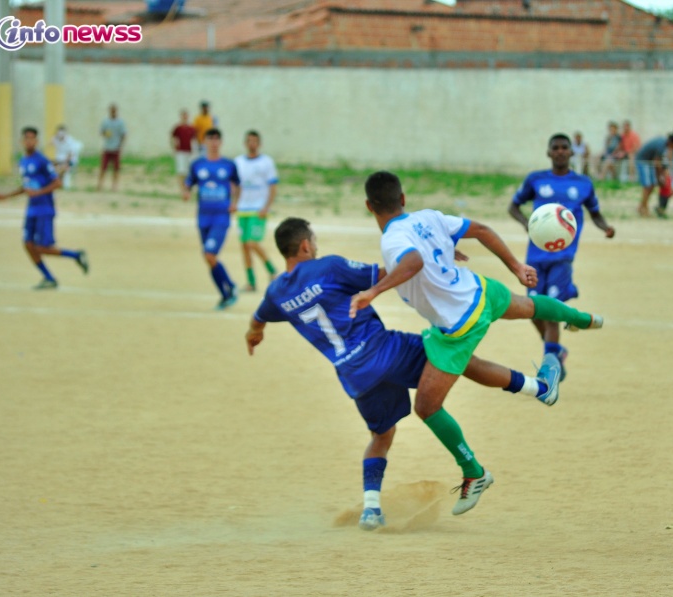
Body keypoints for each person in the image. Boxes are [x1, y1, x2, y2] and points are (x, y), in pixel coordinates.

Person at [246, 218, 561, 530]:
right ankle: (537, 387)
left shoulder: (277, 293)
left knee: (381, 437)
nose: (315, 245)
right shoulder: (328, 267)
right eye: (313, 240)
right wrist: (434, 254)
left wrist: (254, 334)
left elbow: (259, 316)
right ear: (304, 245)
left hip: (353, 374)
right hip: (385, 351)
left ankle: (371, 510)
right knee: (455, 357)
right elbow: (392, 272)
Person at [350, 171, 604, 515]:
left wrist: (373, 291)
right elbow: (481, 231)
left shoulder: (392, 240)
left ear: (369, 206)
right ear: (404, 199)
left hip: (457, 325)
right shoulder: (429, 217)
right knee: (526, 305)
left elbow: (412, 261)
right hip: (480, 291)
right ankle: (582, 320)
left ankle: (475, 473)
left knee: (427, 405)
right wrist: (515, 265)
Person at [508, 133, 614, 376]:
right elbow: (513, 206)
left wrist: (605, 227)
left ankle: (550, 365)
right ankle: (556, 351)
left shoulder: (583, 183)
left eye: (564, 147)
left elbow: (595, 213)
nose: (560, 151)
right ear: (548, 152)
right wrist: (527, 224)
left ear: (571, 152)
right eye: (555, 147)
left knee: (552, 310)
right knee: (532, 309)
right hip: (535, 256)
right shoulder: (535, 179)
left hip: (563, 256)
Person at [0, 127, 89, 289]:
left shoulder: (42, 161)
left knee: (42, 247)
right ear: (22, 141)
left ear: (36, 141)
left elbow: (57, 183)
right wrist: (6, 196)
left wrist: (40, 192)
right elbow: (26, 186)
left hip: (45, 209)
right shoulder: (23, 162)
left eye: (32, 138)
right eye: (26, 138)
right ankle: (49, 278)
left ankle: (76, 255)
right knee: (28, 245)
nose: (29, 141)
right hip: (31, 209)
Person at [183, 128, 240, 310]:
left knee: (209, 254)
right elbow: (188, 182)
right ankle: (225, 295)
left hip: (221, 217)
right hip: (203, 217)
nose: (214, 142)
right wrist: (185, 191)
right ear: (205, 141)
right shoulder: (197, 164)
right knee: (208, 257)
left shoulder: (228, 165)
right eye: (210, 138)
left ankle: (230, 286)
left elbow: (237, 185)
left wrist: (235, 203)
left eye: (217, 139)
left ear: (220, 142)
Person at [234, 130, 279, 292]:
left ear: (259, 144)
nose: (252, 144)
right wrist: (233, 203)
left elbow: (273, 186)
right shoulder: (238, 162)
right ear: (245, 143)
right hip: (242, 209)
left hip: (258, 209)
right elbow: (234, 185)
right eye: (249, 141)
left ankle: (272, 270)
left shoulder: (266, 162)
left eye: (255, 141)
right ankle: (251, 282)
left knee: (252, 242)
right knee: (244, 246)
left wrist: (267, 206)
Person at [636, 134, 673, 217]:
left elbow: (660, 163)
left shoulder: (663, 144)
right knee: (647, 186)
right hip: (643, 161)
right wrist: (659, 177)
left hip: (648, 162)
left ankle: (641, 206)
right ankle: (644, 209)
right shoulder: (662, 145)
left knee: (651, 185)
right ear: (671, 143)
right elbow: (657, 163)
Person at [97, 103, 126, 192]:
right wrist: (106, 134)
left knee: (116, 169)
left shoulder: (120, 122)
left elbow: (123, 134)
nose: (113, 112)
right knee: (103, 167)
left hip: (116, 148)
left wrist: (120, 145)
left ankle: (114, 186)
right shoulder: (106, 122)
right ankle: (100, 185)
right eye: (111, 110)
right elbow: (101, 132)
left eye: (114, 110)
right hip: (107, 147)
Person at [171, 109, 197, 190]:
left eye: (186, 116)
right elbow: (173, 138)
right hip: (180, 151)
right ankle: (181, 187)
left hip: (189, 151)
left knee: (188, 170)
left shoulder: (191, 128)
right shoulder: (178, 128)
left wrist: (194, 150)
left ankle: (187, 186)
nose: (185, 117)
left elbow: (194, 140)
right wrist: (174, 147)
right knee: (181, 170)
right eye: (183, 115)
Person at [51, 125, 82, 190]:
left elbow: (70, 155)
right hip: (60, 160)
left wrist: (64, 164)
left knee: (64, 168)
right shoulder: (55, 139)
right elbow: (49, 145)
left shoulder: (69, 141)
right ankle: (57, 184)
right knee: (53, 167)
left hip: (70, 161)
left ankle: (65, 185)